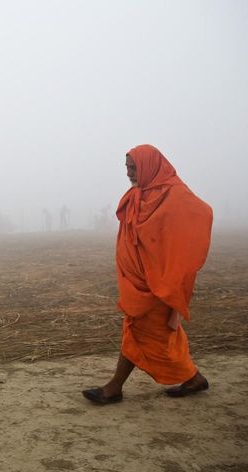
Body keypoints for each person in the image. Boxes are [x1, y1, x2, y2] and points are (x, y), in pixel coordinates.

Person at [83, 144, 213, 404]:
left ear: (150, 166)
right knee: (153, 334)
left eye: (135, 168)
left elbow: (202, 213)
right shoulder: (135, 196)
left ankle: (114, 388)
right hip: (138, 281)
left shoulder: (174, 193)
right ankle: (193, 378)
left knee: (141, 331)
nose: (130, 173)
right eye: (128, 168)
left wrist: (173, 268)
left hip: (159, 282)